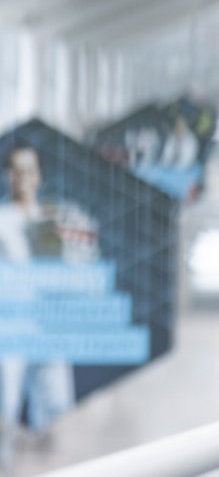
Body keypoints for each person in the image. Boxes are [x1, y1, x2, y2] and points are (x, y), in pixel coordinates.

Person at [0, 145, 96, 471]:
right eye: (15, 170)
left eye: (29, 170)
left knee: (54, 403)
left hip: (47, 322)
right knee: (6, 401)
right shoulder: (1, 221)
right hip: (10, 324)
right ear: (7, 175)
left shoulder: (55, 219)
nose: (22, 178)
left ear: (38, 176)